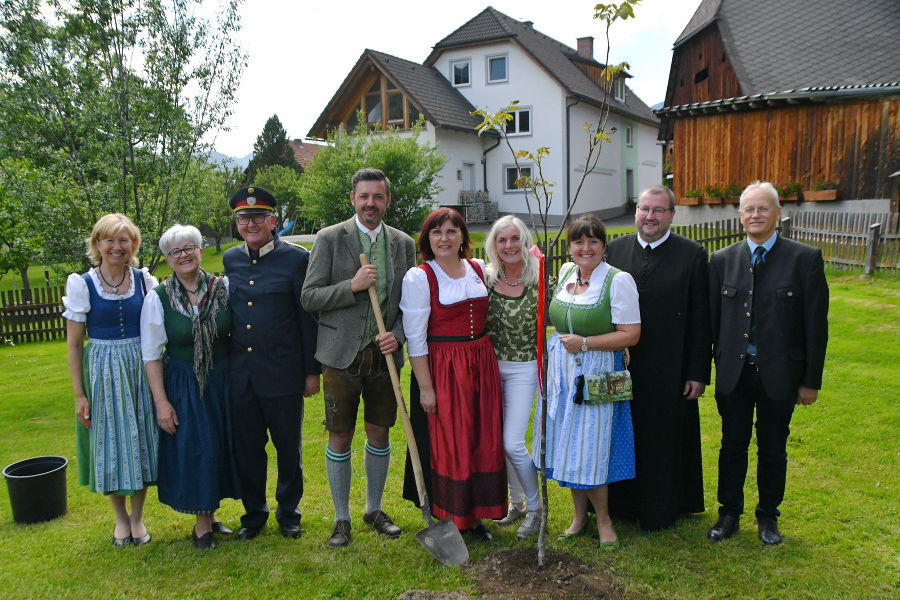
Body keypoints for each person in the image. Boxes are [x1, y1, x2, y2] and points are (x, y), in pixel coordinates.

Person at [301, 168, 417, 548]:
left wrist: (396, 337)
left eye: (378, 197)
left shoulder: (403, 244)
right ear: (353, 199)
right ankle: (341, 517)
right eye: (364, 196)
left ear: (387, 201)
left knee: (379, 431)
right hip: (340, 354)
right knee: (340, 435)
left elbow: (409, 305)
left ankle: (373, 508)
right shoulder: (331, 239)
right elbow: (310, 296)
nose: (371, 203)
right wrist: (351, 287)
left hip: (383, 357)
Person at [707, 181, 828, 546]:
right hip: (734, 374)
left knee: (773, 448)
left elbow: (815, 325)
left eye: (763, 208)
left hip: (781, 375)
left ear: (778, 213)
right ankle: (728, 513)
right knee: (732, 445)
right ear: (740, 215)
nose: (755, 215)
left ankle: (768, 517)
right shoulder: (722, 260)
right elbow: (712, 322)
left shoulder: (804, 259)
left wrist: (811, 381)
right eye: (749, 209)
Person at [606, 185, 711, 531]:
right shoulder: (615, 251)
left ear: (671, 215)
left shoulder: (692, 255)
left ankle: (662, 508)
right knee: (623, 433)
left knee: (663, 438)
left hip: (670, 366)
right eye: (644, 209)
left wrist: (697, 371)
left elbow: (701, 317)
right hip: (622, 363)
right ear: (636, 212)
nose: (649, 216)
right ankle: (622, 505)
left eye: (658, 210)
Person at [400, 208, 506, 540]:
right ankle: (454, 516)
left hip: (480, 362)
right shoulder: (420, 277)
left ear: (462, 236)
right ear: (427, 239)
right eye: (436, 232)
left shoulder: (478, 269)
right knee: (452, 442)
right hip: (445, 367)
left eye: (451, 231)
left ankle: (478, 515)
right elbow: (415, 338)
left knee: (481, 438)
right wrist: (426, 388)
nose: (444, 238)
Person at [536, 215, 640, 550]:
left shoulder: (618, 280)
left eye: (593, 241)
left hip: (595, 372)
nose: (586, 248)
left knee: (590, 449)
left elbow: (632, 334)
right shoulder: (566, 274)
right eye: (579, 242)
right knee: (567, 445)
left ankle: (605, 521)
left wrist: (585, 343)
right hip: (562, 374)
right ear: (570, 248)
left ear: (603, 246)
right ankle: (579, 517)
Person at [223, 186, 320, 541]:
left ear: (273, 221)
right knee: (248, 448)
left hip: (283, 373)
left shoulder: (296, 258)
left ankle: (288, 512)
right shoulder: (231, 260)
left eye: (258, 217)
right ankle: (253, 513)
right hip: (242, 376)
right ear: (236, 223)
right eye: (243, 218)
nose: (251, 224)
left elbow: (307, 318)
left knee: (287, 449)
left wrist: (312, 371)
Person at [140, 224, 240, 549]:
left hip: (221, 379)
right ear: (168, 260)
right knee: (199, 448)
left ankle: (210, 515)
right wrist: (161, 403)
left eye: (189, 248)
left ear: (200, 249)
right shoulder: (158, 299)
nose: (183, 255)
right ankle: (201, 526)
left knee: (220, 445)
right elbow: (152, 355)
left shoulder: (222, 287)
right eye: (175, 251)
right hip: (184, 382)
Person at [63, 213, 159, 547]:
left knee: (141, 440)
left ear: (133, 245)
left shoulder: (144, 281)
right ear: (98, 244)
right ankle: (120, 519)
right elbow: (74, 345)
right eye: (109, 240)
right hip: (101, 370)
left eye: (123, 240)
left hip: (139, 367)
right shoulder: (82, 284)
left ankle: (138, 517)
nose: (116, 247)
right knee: (111, 443)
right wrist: (79, 394)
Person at [483, 215, 542, 539]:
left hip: (523, 367)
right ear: (494, 244)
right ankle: (516, 503)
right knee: (498, 441)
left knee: (513, 442)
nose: (508, 246)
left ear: (524, 241)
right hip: (492, 368)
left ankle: (536, 510)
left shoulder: (538, 277)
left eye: (514, 238)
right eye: (502, 240)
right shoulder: (487, 278)